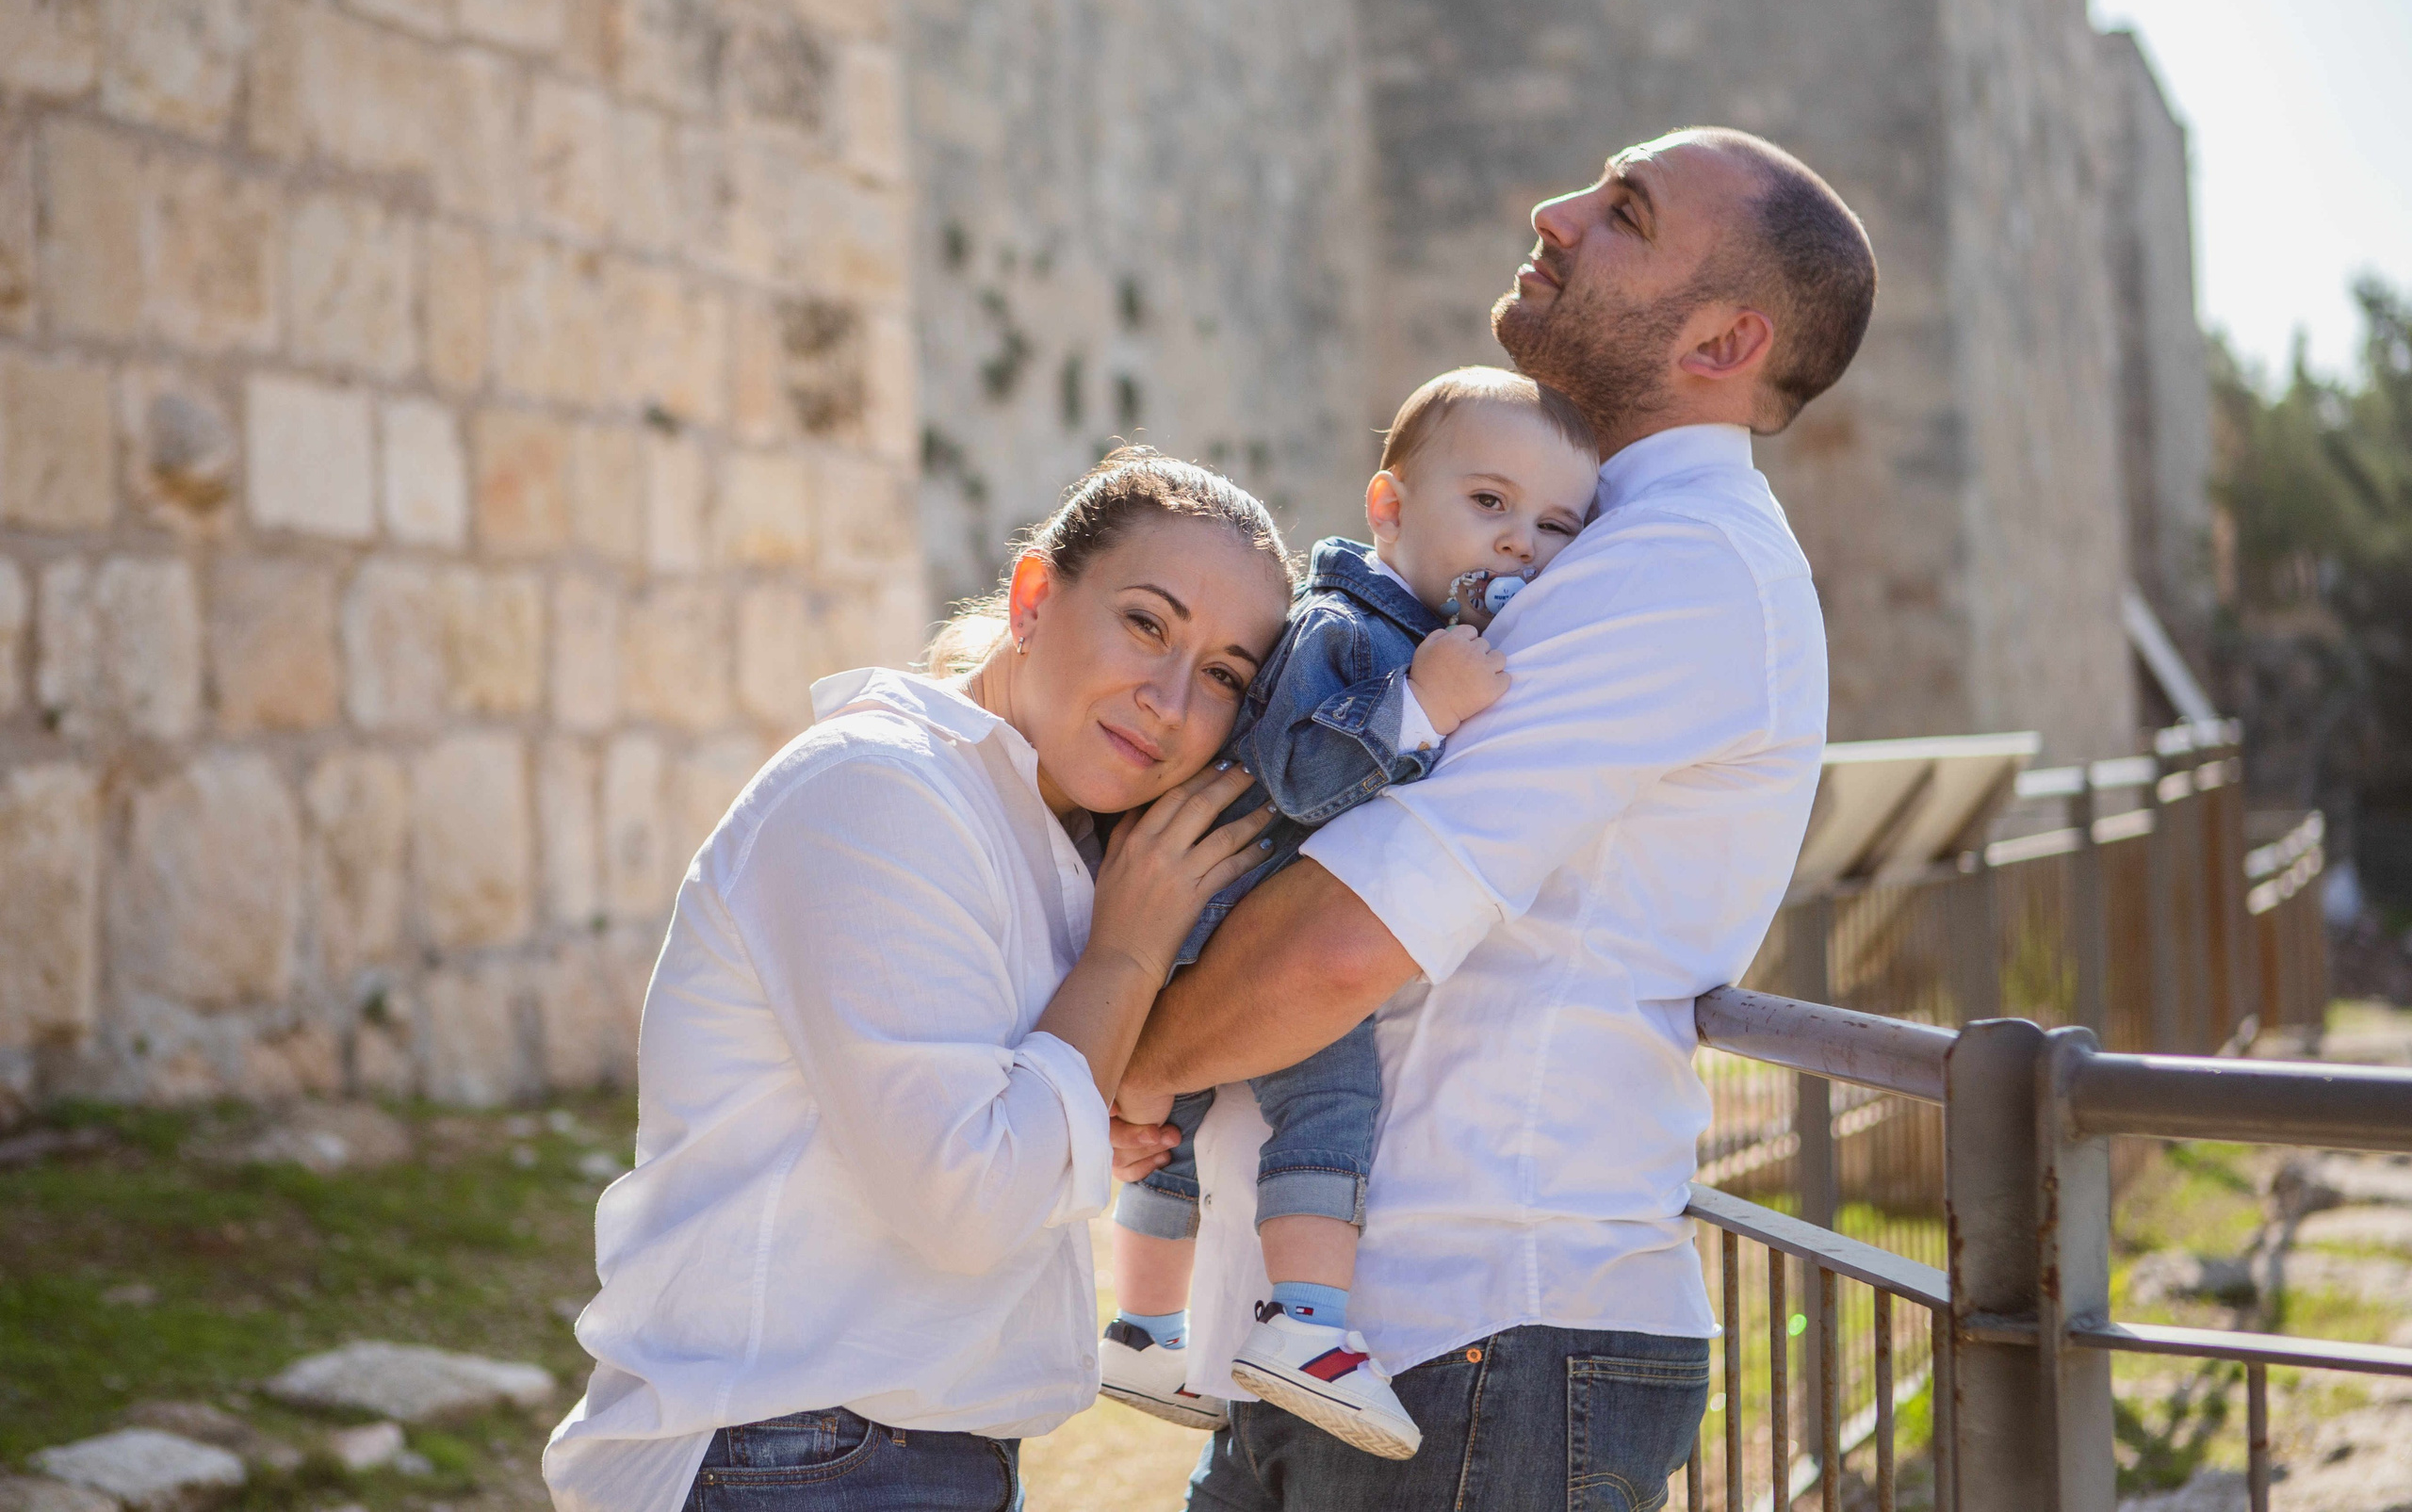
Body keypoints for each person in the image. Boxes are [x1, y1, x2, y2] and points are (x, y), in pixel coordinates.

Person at [1110, 127, 1880, 1511]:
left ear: (1724, 339)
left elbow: (1352, 932)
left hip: (1480, 1349)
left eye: (1625, 210)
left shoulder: (1674, 568)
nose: (1554, 209)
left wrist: (1125, 1069)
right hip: (1375, 1348)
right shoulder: (1582, 548)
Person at [542, 448, 1296, 1512]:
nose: (1169, 701)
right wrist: (1124, 958)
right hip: (787, 1456)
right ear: (1033, 599)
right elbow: (971, 1201)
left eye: (1223, 675)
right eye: (1145, 623)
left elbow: (1000, 1138)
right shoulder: (879, 788)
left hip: (890, 1454)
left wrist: (1076, 1110)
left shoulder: (1048, 844)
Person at [1098, 368, 1601, 1462]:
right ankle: (1306, 1326)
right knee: (1330, 1099)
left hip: (1212, 910)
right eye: (1488, 502)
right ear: (1389, 509)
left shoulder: (1395, 628)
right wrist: (1419, 706)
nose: (1518, 542)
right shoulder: (1351, 633)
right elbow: (1298, 774)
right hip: (1242, 914)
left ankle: (1142, 1329)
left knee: (1175, 1120)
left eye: (1555, 526)